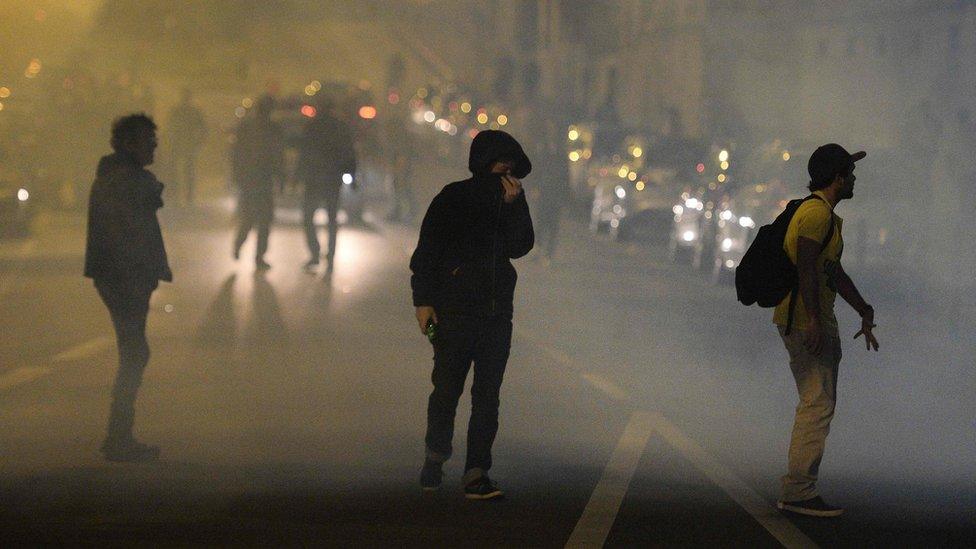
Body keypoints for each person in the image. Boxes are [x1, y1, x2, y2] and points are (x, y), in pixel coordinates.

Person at [410, 130, 534, 499]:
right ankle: (435, 457)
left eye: (511, 161)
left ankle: (476, 471)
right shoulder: (453, 197)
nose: (506, 167)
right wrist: (424, 301)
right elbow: (427, 253)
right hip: (455, 312)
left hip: (496, 315)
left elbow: (520, 247)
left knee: (487, 396)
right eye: (500, 159)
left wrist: (512, 208)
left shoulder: (512, 198)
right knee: (446, 390)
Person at [774, 144, 879, 517]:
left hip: (811, 319)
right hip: (806, 321)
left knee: (816, 403)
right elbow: (805, 267)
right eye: (849, 174)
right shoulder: (817, 214)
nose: (853, 180)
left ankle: (798, 488)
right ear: (837, 178)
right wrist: (816, 321)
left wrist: (863, 309)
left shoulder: (824, 216)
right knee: (817, 404)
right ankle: (799, 491)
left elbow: (831, 271)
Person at [84, 113, 172, 462]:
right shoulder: (125, 180)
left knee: (134, 351)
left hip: (120, 274)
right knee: (135, 352)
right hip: (123, 276)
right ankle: (118, 436)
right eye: (148, 141)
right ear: (128, 144)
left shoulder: (114, 176)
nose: (153, 147)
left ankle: (119, 435)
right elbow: (142, 210)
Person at [297, 98, 357, 272]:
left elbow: (304, 153)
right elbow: (349, 153)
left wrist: (296, 177)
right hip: (332, 179)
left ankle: (315, 253)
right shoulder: (341, 127)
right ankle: (330, 256)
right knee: (332, 219)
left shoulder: (312, 126)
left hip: (314, 180)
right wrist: (352, 177)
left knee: (308, 217)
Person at [231, 96, 283, 270]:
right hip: (259, 180)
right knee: (262, 220)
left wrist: (237, 175)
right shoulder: (272, 128)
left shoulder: (248, 127)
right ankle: (257, 255)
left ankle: (242, 247)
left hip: (252, 180)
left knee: (251, 218)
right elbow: (278, 155)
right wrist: (281, 177)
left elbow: (236, 152)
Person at [167, 89, 208, 205]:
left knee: (185, 170)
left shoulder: (181, 111)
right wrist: (199, 142)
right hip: (184, 144)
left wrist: (199, 142)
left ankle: (183, 194)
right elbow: (203, 129)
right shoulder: (191, 111)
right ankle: (183, 194)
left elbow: (203, 129)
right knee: (184, 170)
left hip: (183, 144)